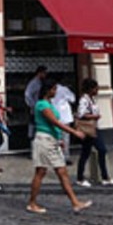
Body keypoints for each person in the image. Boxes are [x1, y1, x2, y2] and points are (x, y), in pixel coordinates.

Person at [26, 80, 91, 214]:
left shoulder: (49, 104)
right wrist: (74, 132)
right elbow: (55, 122)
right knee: (40, 172)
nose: (56, 92)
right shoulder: (42, 105)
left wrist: (59, 138)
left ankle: (75, 202)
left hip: (52, 140)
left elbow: (54, 124)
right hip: (44, 140)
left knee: (62, 172)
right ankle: (32, 203)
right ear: (48, 90)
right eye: (54, 89)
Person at [75, 78, 113, 187]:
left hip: (93, 128)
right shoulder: (84, 100)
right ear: (90, 89)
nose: (97, 90)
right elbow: (81, 114)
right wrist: (94, 116)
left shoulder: (92, 99)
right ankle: (102, 177)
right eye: (95, 88)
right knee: (100, 150)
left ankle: (98, 177)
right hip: (88, 130)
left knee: (87, 153)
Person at [52, 79, 76, 162]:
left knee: (56, 138)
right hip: (65, 117)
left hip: (54, 117)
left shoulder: (50, 90)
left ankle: (56, 156)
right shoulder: (64, 89)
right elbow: (73, 99)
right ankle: (65, 156)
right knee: (65, 138)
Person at [24, 65, 47, 138]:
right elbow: (27, 94)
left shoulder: (40, 82)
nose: (45, 75)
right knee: (33, 125)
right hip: (35, 108)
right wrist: (33, 105)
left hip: (39, 107)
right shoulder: (34, 83)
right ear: (39, 73)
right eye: (44, 73)